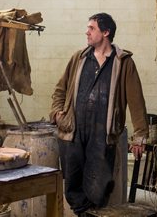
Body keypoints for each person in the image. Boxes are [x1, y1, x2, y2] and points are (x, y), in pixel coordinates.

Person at [50, 12, 149, 216]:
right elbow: (60, 89)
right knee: (73, 184)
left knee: (98, 186)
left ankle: (93, 213)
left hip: (102, 135)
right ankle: (84, 213)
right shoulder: (79, 58)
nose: (86, 32)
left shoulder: (123, 62)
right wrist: (57, 114)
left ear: (106, 32)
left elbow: (136, 101)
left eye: (91, 28)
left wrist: (139, 136)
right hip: (74, 131)